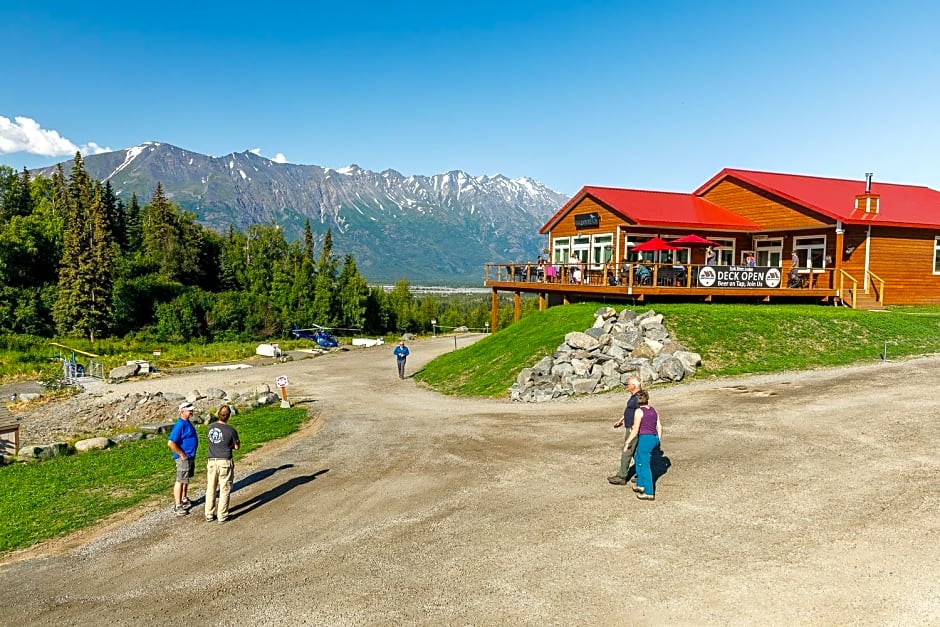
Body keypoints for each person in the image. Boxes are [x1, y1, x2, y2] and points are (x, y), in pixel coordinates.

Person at [205, 404, 241, 524]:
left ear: (218, 415)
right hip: (224, 460)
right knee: (224, 488)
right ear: (228, 416)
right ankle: (222, 515)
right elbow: (237, 446)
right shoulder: (231, 430)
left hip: (211, 460)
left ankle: (209, 514)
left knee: (211, 488)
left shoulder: (211, 427)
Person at [624, 389, 662, 500]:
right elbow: (659, 426)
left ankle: (649, 491)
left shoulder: (639, 412)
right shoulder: (654, 410)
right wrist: (657, 439)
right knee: (638, 458)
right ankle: (641, 484)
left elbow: (635, 430)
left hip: (645, 438)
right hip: (653, 437)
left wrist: (627, 442)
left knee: (645, 464)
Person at [608, 376, 642, 486]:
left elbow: (641, 412)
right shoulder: (634, 397)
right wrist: (621, 420)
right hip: (630, 426)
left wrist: (634, 427)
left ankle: (622, 476)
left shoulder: (639, 397)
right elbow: (629, 410)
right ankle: (642, 474)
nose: (627, 386)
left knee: (627, 451)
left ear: (634, 386)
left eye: (628, 384)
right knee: (636, 453)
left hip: (633, 428)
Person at [167, 401, 199, 516]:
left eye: (191, 410)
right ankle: (177, 505)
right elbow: (171, 443)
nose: (191, 411)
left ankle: (184, 498)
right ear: (182, 411)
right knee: (180, 480)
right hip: (184, 458)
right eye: (189, 410)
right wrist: (182, 454)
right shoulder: (180, 425)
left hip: (190, 456)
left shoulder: (187, 422)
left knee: (186, 479)